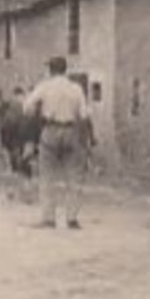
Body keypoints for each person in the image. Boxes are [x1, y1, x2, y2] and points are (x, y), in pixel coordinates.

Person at [23, 57, 92, 229]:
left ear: (51, 70)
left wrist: (38, 113)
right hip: (71, 130)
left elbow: (27, 107)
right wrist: (85, 139)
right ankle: (72, 218)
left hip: (50, 129)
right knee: (73, 176)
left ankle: (48, 218)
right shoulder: (76, 88)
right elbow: (84, 115)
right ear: (65, 69)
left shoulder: (45, 86)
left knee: (47, 176)